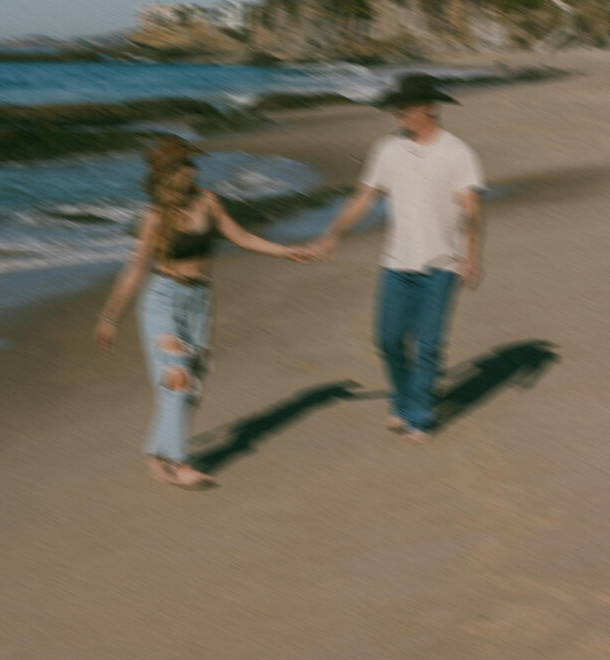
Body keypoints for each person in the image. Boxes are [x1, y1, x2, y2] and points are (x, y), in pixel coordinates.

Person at [95, 135, 314, 488]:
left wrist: (286, 251)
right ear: (170, 173)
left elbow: (241, 237)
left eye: (193, 163)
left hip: (199, 302)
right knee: (178, 380)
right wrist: (109, 317)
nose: (195, 170)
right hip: (162, 300)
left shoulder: (208, 201)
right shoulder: (153, 217)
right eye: (186, 164)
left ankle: (156, 452)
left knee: (190, 388)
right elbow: (135, 268)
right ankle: (181, 463)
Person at [309, 73, 485, 443]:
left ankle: (418, 415)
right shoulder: (387, 149)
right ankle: (404, 399)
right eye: (397, 107)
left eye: (404, 107)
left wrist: (473, 257)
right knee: (388, 340)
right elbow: (364, 196)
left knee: (428, 345)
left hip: (442, 263)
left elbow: (472, 210)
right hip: (396, 263)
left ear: (429, 108)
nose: (398, 113)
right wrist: (334, 231)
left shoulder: (458, 153)